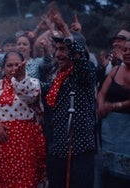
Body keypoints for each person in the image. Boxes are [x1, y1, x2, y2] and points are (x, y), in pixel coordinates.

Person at [0, 51, 46, 187]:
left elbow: (30, 97)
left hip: (25, 145)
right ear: (3, 67)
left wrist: (20, 79)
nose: (14, 69)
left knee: (25, 182)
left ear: (23, 65)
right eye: (9, 65)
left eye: (17, 65)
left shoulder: (32, 83)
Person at [43, 11, 96, 188]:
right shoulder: (55, 75)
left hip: (80, 150)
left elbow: (80, 59)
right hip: (57, 149)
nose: (58, 55)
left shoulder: (84, 73)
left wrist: (65, 30)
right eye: (57, 49)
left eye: (63, 49)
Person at [97, 40, 130, 188]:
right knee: (108, 171)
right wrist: (101, 106)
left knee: (125, 175)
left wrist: (115, 106)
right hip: (110, 127)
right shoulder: (115, 70)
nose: (127, 52)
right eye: (125, 49)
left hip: (127, 127)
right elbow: (102, 92)